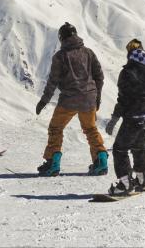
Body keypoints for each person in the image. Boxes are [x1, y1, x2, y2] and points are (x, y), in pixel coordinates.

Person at [36, 22, 108, 176]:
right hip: (89, 98)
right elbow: (99, 76)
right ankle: (101, 160)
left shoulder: (60, 56)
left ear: (62, 38)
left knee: (56, 128)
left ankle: (52, 163)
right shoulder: (88, 52)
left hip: (69, 100)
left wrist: (44, 101)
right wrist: (97, 96)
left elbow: (53, 81)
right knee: (90, 129)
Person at [105, 39, 145, 196]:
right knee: (138, 147)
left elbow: (123, 100)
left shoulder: (127, 72)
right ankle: (143, 180)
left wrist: (114, 119)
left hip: (135, 117)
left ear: (130, 54)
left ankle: (125, 185)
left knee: (119, 149)